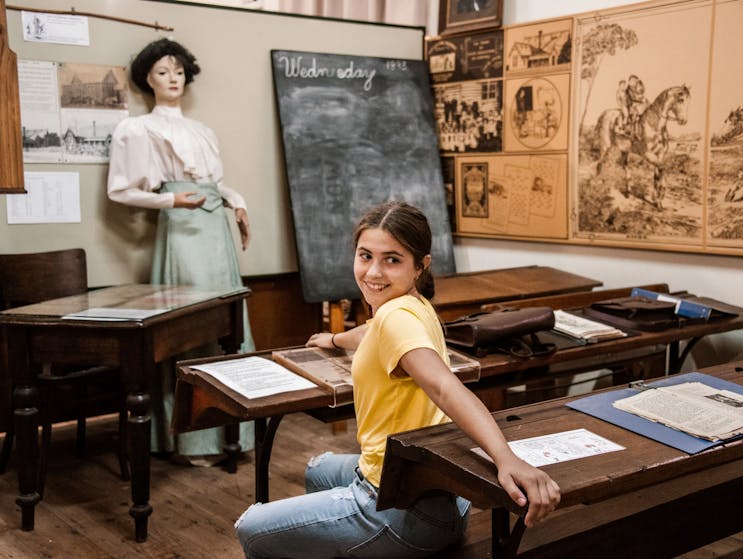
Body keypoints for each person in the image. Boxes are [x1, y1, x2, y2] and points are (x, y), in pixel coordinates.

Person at [235, 201, 560, 558]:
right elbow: (372, 332)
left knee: (251, 528)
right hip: (435, 494)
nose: (373, 272)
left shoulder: (395, 317)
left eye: (392, 259)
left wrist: (506, 459)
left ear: (421, 265)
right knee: (317, 470)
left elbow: (444, 386)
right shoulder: (412, 305)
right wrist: (335, 339)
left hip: (401, 510)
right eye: (365, 256)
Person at [107, 38, 255, 463]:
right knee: (191, 328)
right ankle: (191, 441)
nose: (172, 79)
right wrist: (172, 200)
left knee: (230, 325)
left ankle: (235, 436)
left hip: (216, 231)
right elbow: (120, 191)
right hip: (183, 231)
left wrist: (238, 201)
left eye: (178, 72)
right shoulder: (138, 129)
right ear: (147, 80)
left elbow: (215, 183)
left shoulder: (202, 131)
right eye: (161, 72)